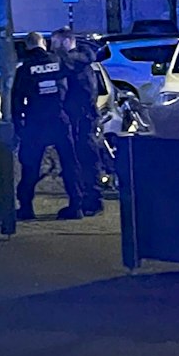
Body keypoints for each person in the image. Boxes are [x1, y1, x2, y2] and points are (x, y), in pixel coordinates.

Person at [12, 32, 84, 221]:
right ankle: (76, 206)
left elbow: (16, 100)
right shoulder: (60, 61)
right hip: (59, 118)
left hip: (36, 122)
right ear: (44, 43)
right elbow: (77, 84)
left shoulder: (25, 69)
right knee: (70, 162)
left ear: (28, 45)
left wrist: (19, 126)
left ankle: (26, 207)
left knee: (30, 166)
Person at [54, 29, 105, 216]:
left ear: (67, 42)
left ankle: (89, 200)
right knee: (85, 157)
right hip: (84, 116)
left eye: (57, 42)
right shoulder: (83, 61)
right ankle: (89, 199)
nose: (54, 47)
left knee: (82, 157)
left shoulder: (74, 62)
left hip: (80, 117)